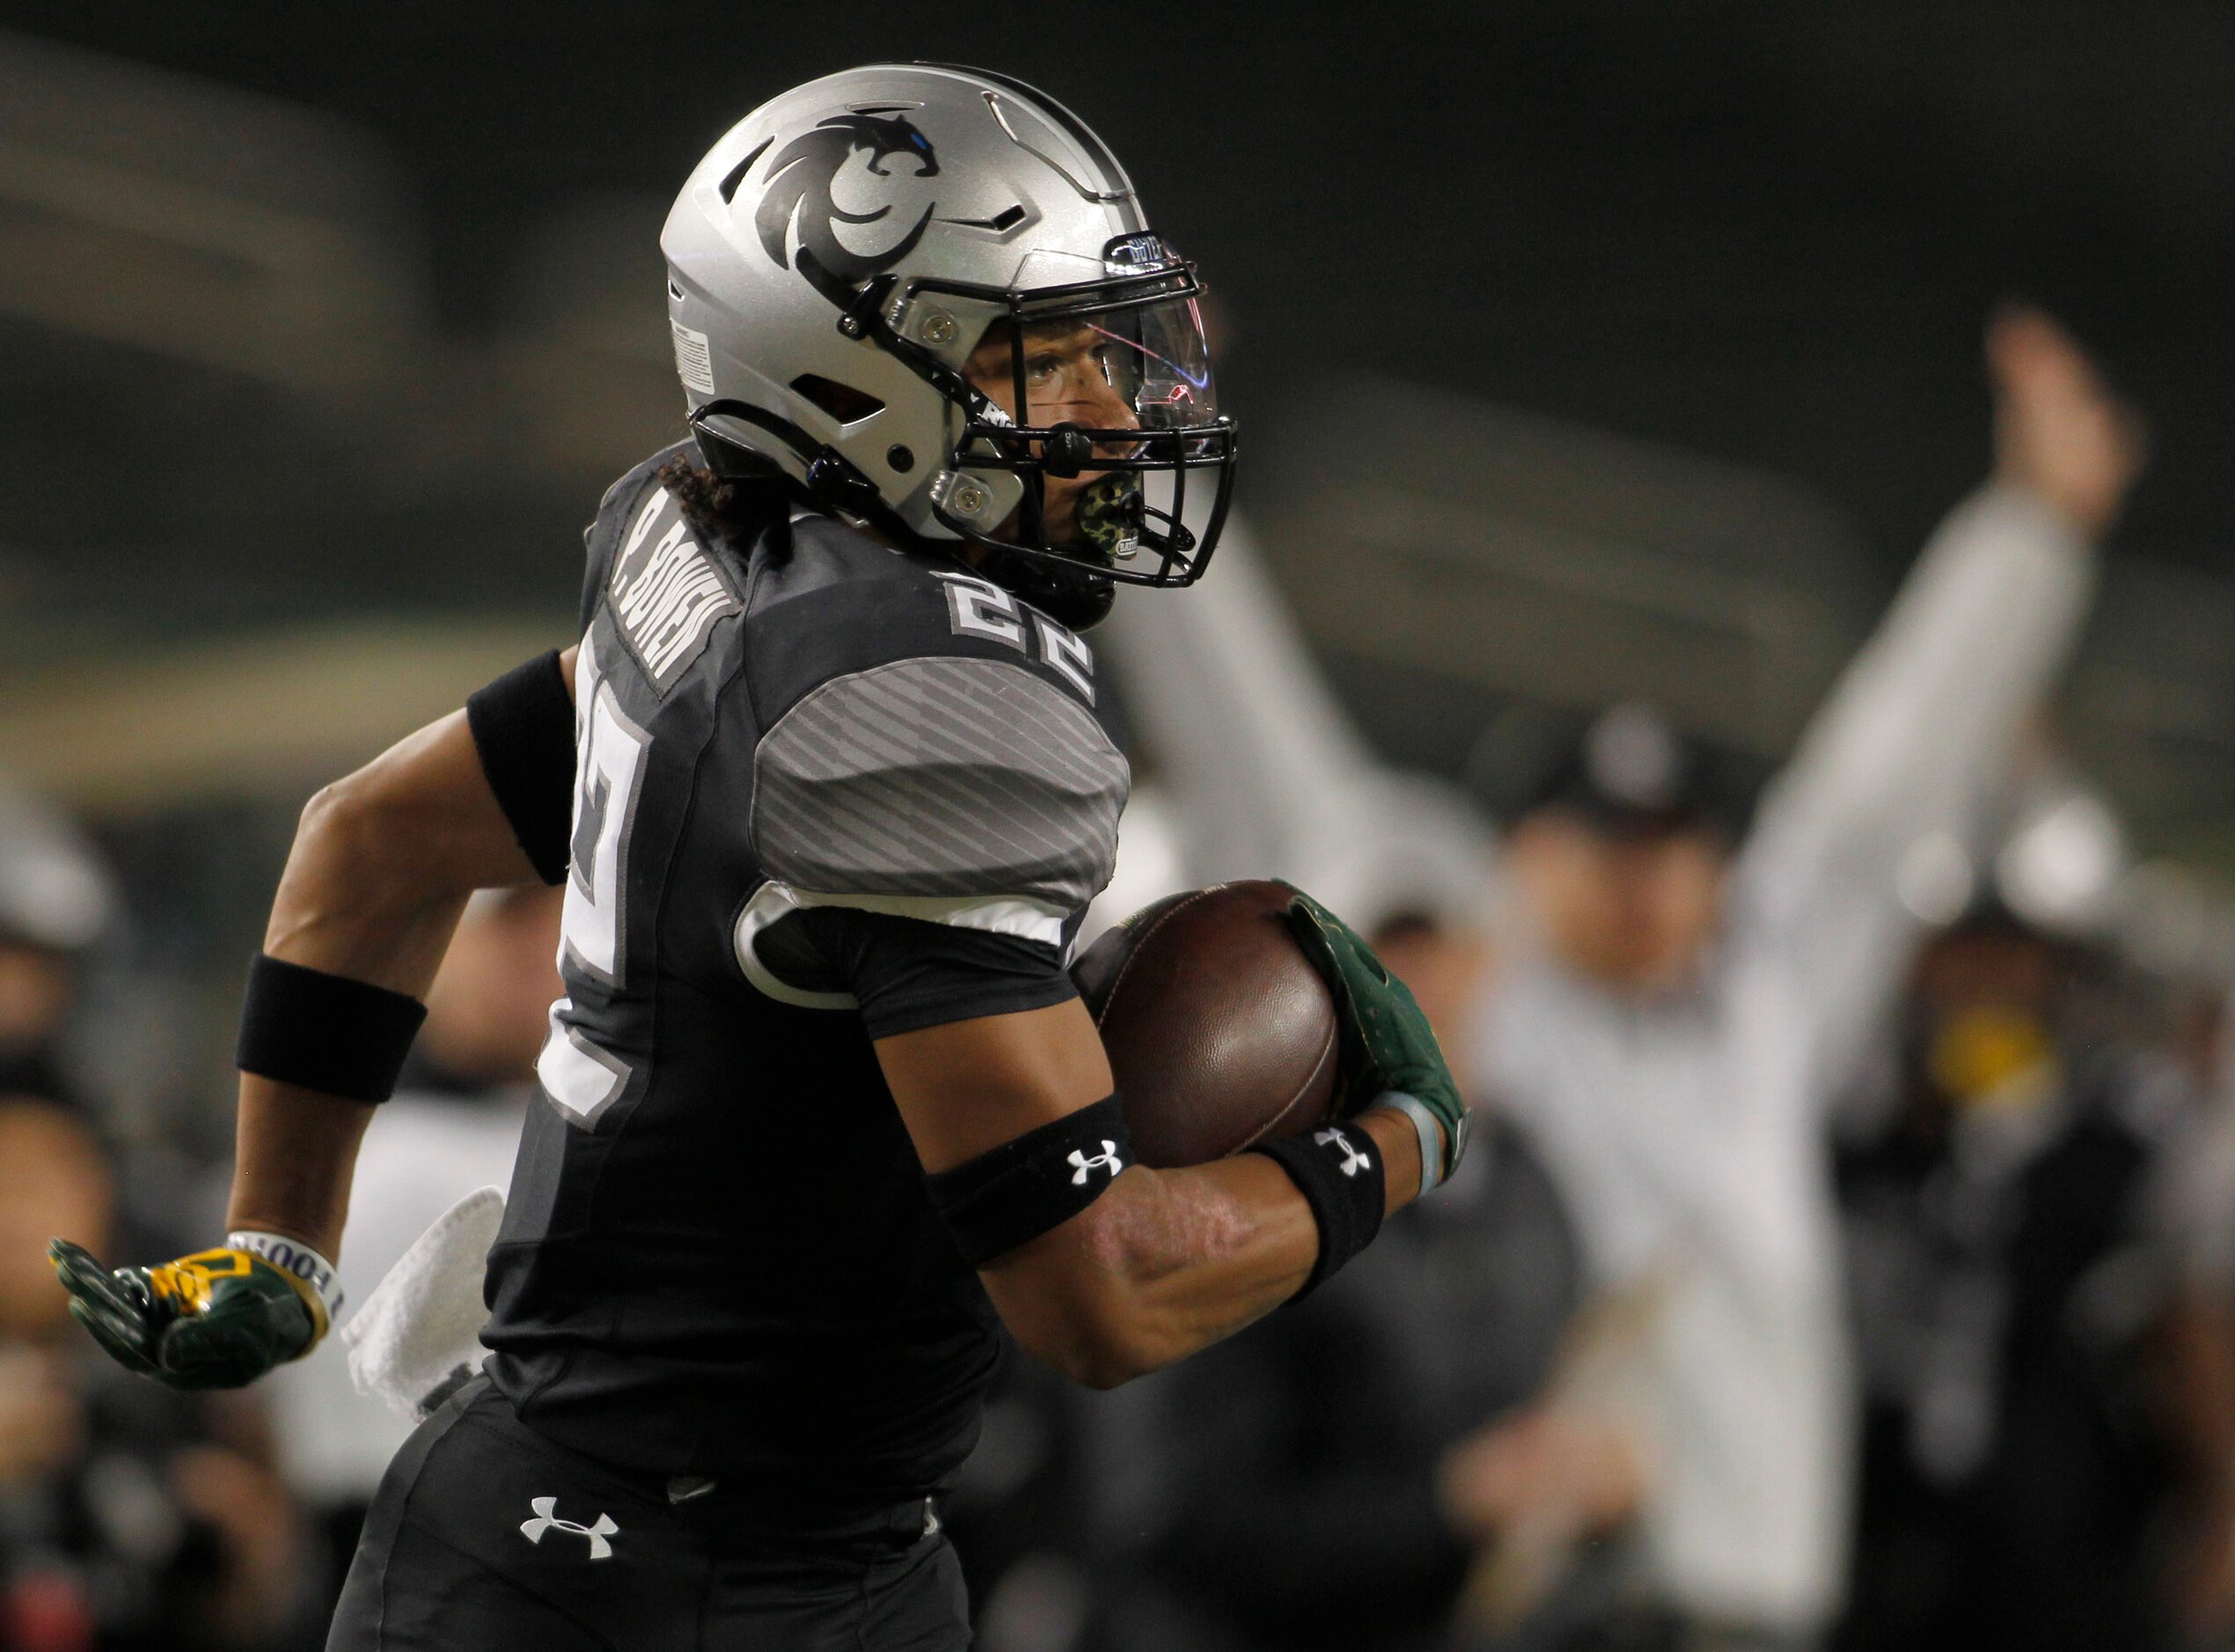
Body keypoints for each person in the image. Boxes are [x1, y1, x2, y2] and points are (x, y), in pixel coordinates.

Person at [46, 64, 1469, 1652]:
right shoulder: (933, 704)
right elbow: (1103, 1296)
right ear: (861, 384)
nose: (1120, 411)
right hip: (642, 1583)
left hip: (707, 1539)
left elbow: (367, 844)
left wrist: (283, 1243)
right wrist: (1396, 1135)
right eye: (1049, 360)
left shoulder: (715, 543)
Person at [1474, 308, 2144, 1648]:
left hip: (1759, 1607)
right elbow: (1279, 767)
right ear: (1526, 855)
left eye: (1676, 846)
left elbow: (1891, 759)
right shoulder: (1483, 1008)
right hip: (1555, 1598)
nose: (1639, 880)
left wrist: (2030, 534)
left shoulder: (1769, 1001)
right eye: (1600, 841)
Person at [261, 886, 559, 1590]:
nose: (539, 955)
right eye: (504, 933)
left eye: (552, 924)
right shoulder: (360, 1151)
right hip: (416, 1557)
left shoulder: (586, 1120)